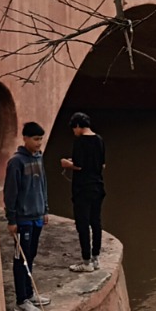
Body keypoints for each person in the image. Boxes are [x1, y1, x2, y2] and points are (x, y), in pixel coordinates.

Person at [3, 121, 51, 311]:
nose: (39, 143)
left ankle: (30, 294)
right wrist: (12, 219)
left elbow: (43, 185)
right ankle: (21, 300)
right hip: (22, 219)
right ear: (25, 138)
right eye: (35, 139)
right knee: (21, 258)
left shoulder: (38, 157)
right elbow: (10, 193)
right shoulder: (16, 162)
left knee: (30, 256)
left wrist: (45, 209)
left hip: (37, 216)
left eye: (41, 139)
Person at [59, 111, 106, 273]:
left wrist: (67, 164)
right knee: (96, 222)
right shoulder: (99, 140)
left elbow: (79, 165)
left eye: (74, 128)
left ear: (78, 126)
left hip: (82, 189)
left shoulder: (80, 142)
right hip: (97, 186)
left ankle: (86, 262)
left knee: (83, 224)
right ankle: (96, 258)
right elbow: (102, 165)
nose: (74, 131)